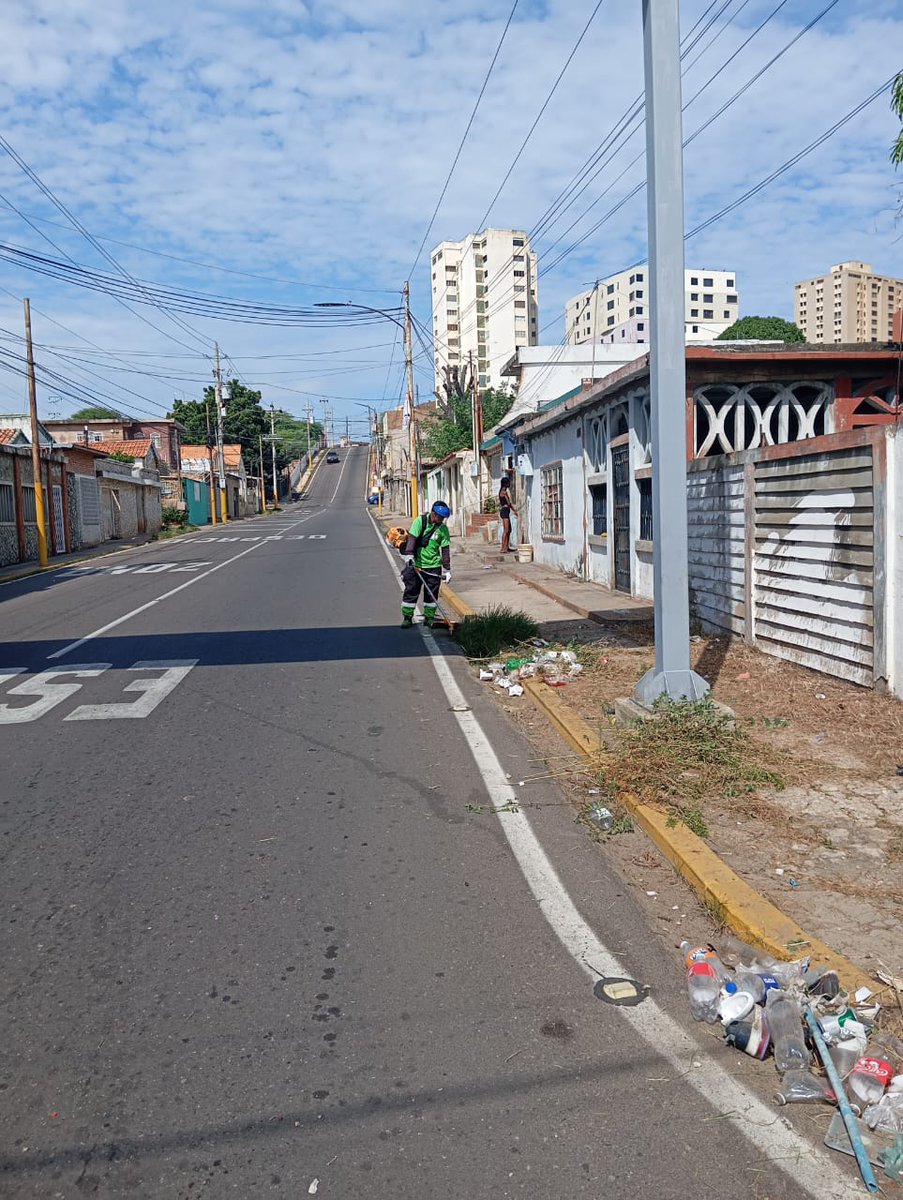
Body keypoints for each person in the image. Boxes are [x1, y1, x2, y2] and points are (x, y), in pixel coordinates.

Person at [400, 501, 452, 628]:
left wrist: (447, 570)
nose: (441, 520)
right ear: (433, 514)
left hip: (433, 566)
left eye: (443, 518)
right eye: (440, 517)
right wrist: (409, 555)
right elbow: (412, 539)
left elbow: (445, 549)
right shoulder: (420, 522)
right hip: (416, 565)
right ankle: (407, 617)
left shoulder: (443, 529)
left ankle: (429, 618)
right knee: (411, 591)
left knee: (431, 593)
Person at [498, 476, 517, 555]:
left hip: (506, 511)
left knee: (509, 530)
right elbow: (508, 503)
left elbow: (509, 504)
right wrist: (514, 510)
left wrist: (514, 511)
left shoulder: (504, 491)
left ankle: (507, 547)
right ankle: (503, 548)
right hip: (505, 511)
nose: (509, 484)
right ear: (505, 484)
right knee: (506, 530)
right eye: (508, 482)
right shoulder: (503, 492)